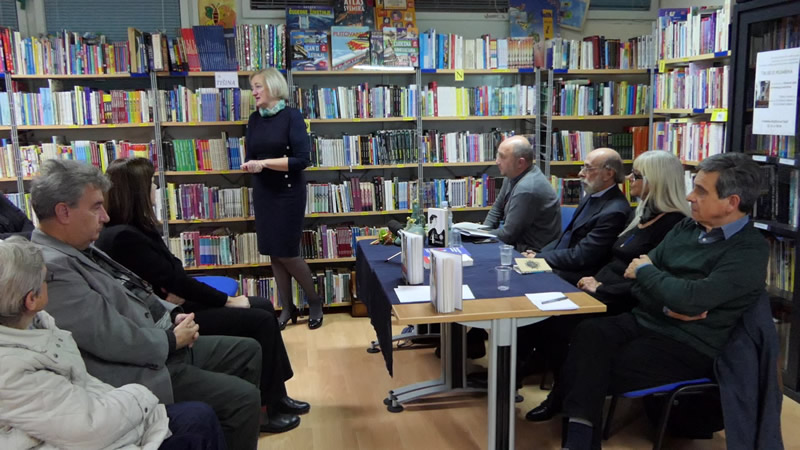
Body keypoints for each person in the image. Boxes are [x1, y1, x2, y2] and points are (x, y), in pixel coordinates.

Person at [539, 153, 768, 450]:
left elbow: (683, 295)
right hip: (647, 320)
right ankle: (580, 439)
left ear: (731, 202)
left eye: (700, 191)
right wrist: (667, 299)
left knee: (593, 365)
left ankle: (578, 440)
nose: (690, 196)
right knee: (587, 333)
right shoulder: (686, 228)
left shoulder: (749, 250)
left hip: (688, 343)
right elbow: (637, 282)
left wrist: (652, 277)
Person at [29, 159, 262, 450]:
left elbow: (137, 292)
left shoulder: (80, 249)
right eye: (96, 207)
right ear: (64, 212)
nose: (104, 216)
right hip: (135, 369)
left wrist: (173, 316)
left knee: (247, 351)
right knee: (243, 398)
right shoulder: (52, 269)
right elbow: (108, 337)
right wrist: (171, 340)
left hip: (157, 342)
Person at [95, 157, 309, 434]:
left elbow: (174, 274)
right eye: (151, 184)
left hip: (177, 302)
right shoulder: (123, 236)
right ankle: (265, 410)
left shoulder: (137, 227)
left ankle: (277, 395)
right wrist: (228, 300)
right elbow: (174, 280)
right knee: (261, 319)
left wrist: (173, 286)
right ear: (137, 191)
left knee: (263, 306)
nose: (155, 189)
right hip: (172, 316)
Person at [0, 236, 226, 450]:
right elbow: (86, 428)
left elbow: (83, 386)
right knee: (197, 420)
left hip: (98, 415)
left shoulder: (39, 324)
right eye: (44, 280)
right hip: (92, 432)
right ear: (32, 299)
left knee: (196, 417)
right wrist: (140, 395)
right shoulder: (11, 368)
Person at [523, 150, 690, 421]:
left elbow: (647, 280)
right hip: (600, 286)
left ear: (657, 181)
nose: (630, 179)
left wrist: (600, 288)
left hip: (621, 299)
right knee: (547, 314)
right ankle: (555, 386)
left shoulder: (673, 226)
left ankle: (561, 395)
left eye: (637, 175)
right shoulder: (642, 214)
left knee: (559, 324)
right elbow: (614, 259)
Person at [241, 68, 323, 330]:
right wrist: (251, 165)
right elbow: (250, 155)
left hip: (288, 193)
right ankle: (288, 307)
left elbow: (302, 160)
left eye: (258, 87)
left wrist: (264, 163)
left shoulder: (292, 116)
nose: (254, 92)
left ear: (273, 87)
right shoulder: (254, 119)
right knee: (273, 254)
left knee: (287, 252)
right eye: (252, 88)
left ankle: (314, 301)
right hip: (264, 192)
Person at [529, 147, 632, 285]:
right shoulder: (592, 195)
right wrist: (538, 254)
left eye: (588, 168)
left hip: (578, 276)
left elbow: (583, 256)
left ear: (608, 174)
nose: (580, 173)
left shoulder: (614, 211)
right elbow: (567, 236)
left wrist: (540, 258)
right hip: (562, 263)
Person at [483, 135, 561, 253]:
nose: (497, 161)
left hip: (531, 253)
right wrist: (481, 231)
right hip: (517, 245)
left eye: (502, 157)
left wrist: (479, 237)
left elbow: (508, 235)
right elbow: (497, 210)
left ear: (520, 163)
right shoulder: (512, 175)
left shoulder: (527, 189)